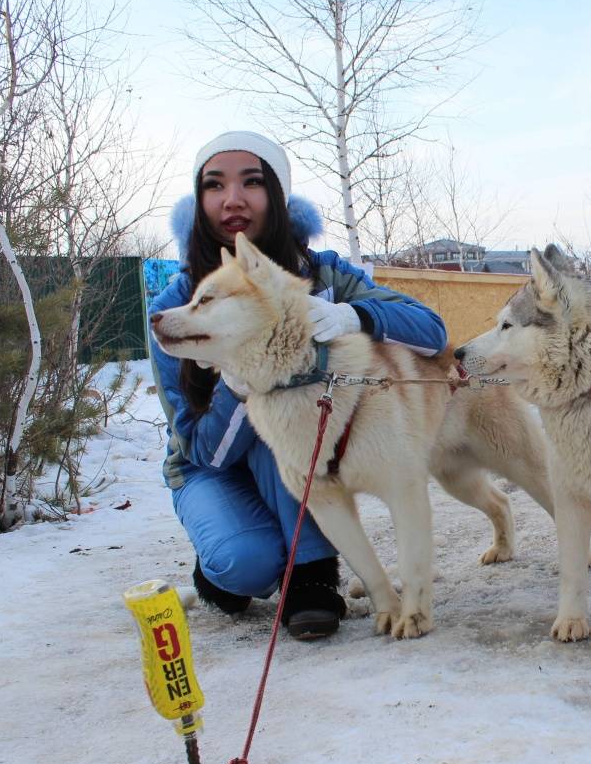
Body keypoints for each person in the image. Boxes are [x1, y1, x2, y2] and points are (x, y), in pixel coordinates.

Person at [148, 131, 447, 639]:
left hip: (292, 439)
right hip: (211, 467)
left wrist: (355, 315)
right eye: (215, 185)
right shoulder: (177, 307)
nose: (233, 198)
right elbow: (203, 451)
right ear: (199, 202)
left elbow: (431, 330)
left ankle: (311, 576)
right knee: (244, 563)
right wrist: (243, 383)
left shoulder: (323, 274)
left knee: (291, 431)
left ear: (279, 197)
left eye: (253, 182)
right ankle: (228, 568)